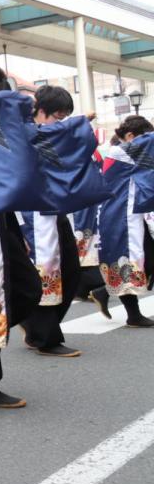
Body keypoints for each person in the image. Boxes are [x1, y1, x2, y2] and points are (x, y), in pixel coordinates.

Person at [0, 64, 105, 408]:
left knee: (28, 289)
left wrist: (73, 125)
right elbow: (9, 112)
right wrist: (20, 98)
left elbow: (37, 140)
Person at [17, 86, 90, 357]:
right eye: (58, 116)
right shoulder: (25, 135)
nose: (61, 123)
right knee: (45, 272)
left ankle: (32, 323)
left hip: (53, 211)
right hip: (31, 214)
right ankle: (45, 337)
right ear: (41, 112)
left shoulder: (48, 137)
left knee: (69, 271)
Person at [99, 114, 154, 327]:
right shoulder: (122, 152)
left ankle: (103, 293)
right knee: (128, 261)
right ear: (130, 136)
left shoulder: (126, 153)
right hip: (122, 216)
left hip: (129, 213)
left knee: (140, 260)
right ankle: (133, 314)